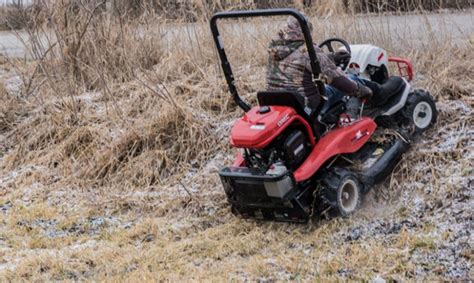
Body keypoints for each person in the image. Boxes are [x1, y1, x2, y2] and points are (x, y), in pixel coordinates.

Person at [266, 15, 373, 118]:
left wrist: (332, 57)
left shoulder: (275, 49)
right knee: (351, 79)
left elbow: (298, 62)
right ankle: (381, 94)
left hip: (279, 104)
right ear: (305, 30)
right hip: (308, 107)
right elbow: (341, 82)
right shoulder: (308, 50)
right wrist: (362, 90)